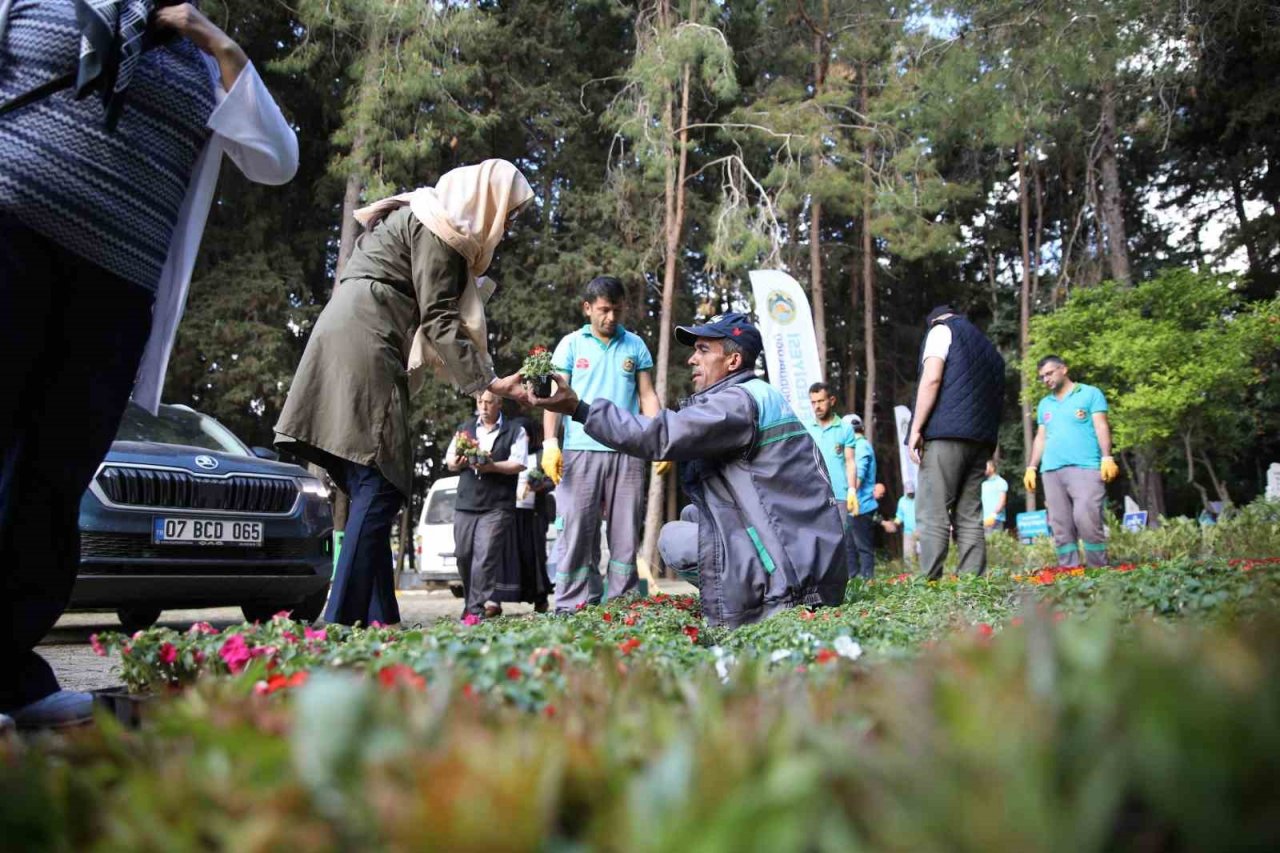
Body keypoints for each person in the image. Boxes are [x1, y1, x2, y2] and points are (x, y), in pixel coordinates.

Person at [0, 0, 298, 729]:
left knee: (54, 474)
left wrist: (213, 38)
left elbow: (276, 159)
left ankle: (9, 670)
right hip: (11, 233)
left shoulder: (199, 59)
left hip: (115, 287)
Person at [274, 159, 535, 626]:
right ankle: (339, 623)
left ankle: (381, 621)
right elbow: (438, 318)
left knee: (366, 484)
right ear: (485, 198)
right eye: (509, 210)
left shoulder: (422, 215)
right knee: (381, 482)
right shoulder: (439, 229)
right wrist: (492, 382)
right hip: (368, 337)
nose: (509, 222)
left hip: (346, 330)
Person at [538, 312, 847, 628]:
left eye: (702, 350)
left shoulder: (736, 403)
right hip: (807, 555)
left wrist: (578, 409)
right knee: (692, 516)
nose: (691, 359)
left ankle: (764, 600)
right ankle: (758, 586)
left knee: (673, 537)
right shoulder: (759, 393)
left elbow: (660, 436)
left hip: (794, 574)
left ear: (733, 360)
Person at [541, 275, 662, 611]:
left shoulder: (634, 345)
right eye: (604, 310)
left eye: (617, 310)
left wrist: (658, 437)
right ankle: (572, 606)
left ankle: (622, 607)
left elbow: (647, 395)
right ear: (587, 308)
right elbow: (555, 397)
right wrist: (550, 443)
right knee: (577, 531)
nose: (611, 317)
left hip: (628, 451)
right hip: (579, 451)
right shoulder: (570, 345)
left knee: (625, 536)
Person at [906, 305, 1005, 580]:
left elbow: (932, 377)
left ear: (934, 319)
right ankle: (972, 581)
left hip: (945, 435)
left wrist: (916, 428)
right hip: (981, 440)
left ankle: (930, 582)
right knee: (969, 513)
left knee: (932, 509)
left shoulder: (941, 330)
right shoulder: (988, 348)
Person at [1024, 355, 1118, 567]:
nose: (1046, 379)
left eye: (1049, 373)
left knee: (1086, 518)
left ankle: (1098, 571)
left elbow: (1101, 426)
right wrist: (1031, 466)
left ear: (1063, 369)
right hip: (1051, 470)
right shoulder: (1044, 404)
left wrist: (1107, 457)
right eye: (1042, 377)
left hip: (1085, 466)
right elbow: (1041, 437)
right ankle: (1069, 572)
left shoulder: (1089, 393)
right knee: (1060, 524)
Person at [445, 391, 528, 619]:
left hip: (497, 505)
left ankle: (475, 611)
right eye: (480, 401)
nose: (483, 406)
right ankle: (471, 603)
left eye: (489, 402)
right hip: (466, 503)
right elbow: (450, 460)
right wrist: (458, 462)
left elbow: (519, 463)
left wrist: (492, 467)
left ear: (499, 403)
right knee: (463, 555)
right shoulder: (466, 428)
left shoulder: (515, 431)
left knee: (485, 556)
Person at [494, 407, 552, 612]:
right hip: (508, 512)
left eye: (526, 434)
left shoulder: (541, 455)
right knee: (503, 555)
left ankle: (540, 598)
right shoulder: (505, 453)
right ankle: (495, 600)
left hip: (533, 515)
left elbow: (553, 478)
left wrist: (541, 486)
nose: (523, 439)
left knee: (533, 556)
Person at [805, 383, 860, 579]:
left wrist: (852, 490)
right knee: (816, 541)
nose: (817, 406)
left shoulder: (844, 429)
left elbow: (850, 461)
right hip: (813, 494)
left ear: (831, 400)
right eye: (813, 402)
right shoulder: (806, 428)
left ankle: (841, 587)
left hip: (839, 494)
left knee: (839, 543)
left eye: (820, 401)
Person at [846, 413, 879, 579]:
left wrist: (851, 487)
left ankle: (868, 583)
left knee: (863, 548)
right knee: (851, 548)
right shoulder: (861, 445)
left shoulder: (860, 446)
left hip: (861, 506)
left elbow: (858, 475)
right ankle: (855, 582)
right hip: (855, 507)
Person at [881, 487, 918, 567]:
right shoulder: (902, 500)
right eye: (909, 492)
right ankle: (911, 576)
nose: (910, 493)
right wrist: (893, 524)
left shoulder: (921, 498)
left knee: (923, 556)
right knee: (909, 557)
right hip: (908, 532)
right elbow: (899, 516)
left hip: (922, 531)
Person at [981, 460, 1009, 536]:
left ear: (992, 468)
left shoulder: (1001, 482)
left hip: (997, 519)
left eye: (986, 467)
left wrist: (993, 515)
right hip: (984, 521)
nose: (984, 469)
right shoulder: (984, 484)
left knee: (996, 545)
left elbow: (1002, 501)